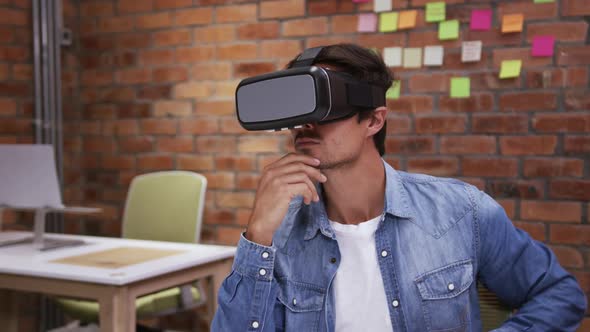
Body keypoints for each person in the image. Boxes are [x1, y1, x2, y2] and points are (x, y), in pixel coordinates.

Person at [211, 43, 587, 331]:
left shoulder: (461, 212)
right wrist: (257, 236)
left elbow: (559, 295)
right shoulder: (278, 236)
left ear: (374, 121)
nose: (304, 125)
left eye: (322, 108)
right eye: (298, 114)